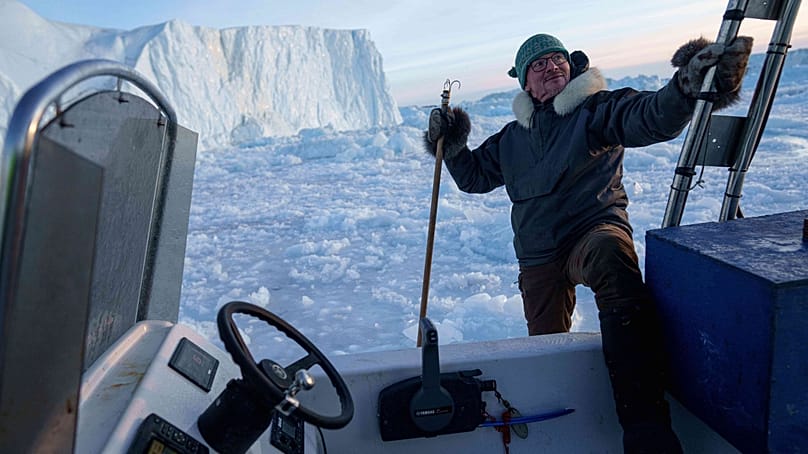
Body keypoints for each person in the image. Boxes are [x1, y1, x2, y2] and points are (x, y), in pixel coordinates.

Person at [424, 33, 753, 453]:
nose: (552, 67)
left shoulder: (596, 110)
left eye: (558, 59)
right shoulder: (512, 138)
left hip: (592, 230)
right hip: (539, 255)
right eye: (539, 65)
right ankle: (559, 431)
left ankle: (646, 428)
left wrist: (685, 87)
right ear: (526, 83)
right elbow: (474, 177)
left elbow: (650, 116)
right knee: (544, 346)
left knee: (611, 257)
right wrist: (450, 145)